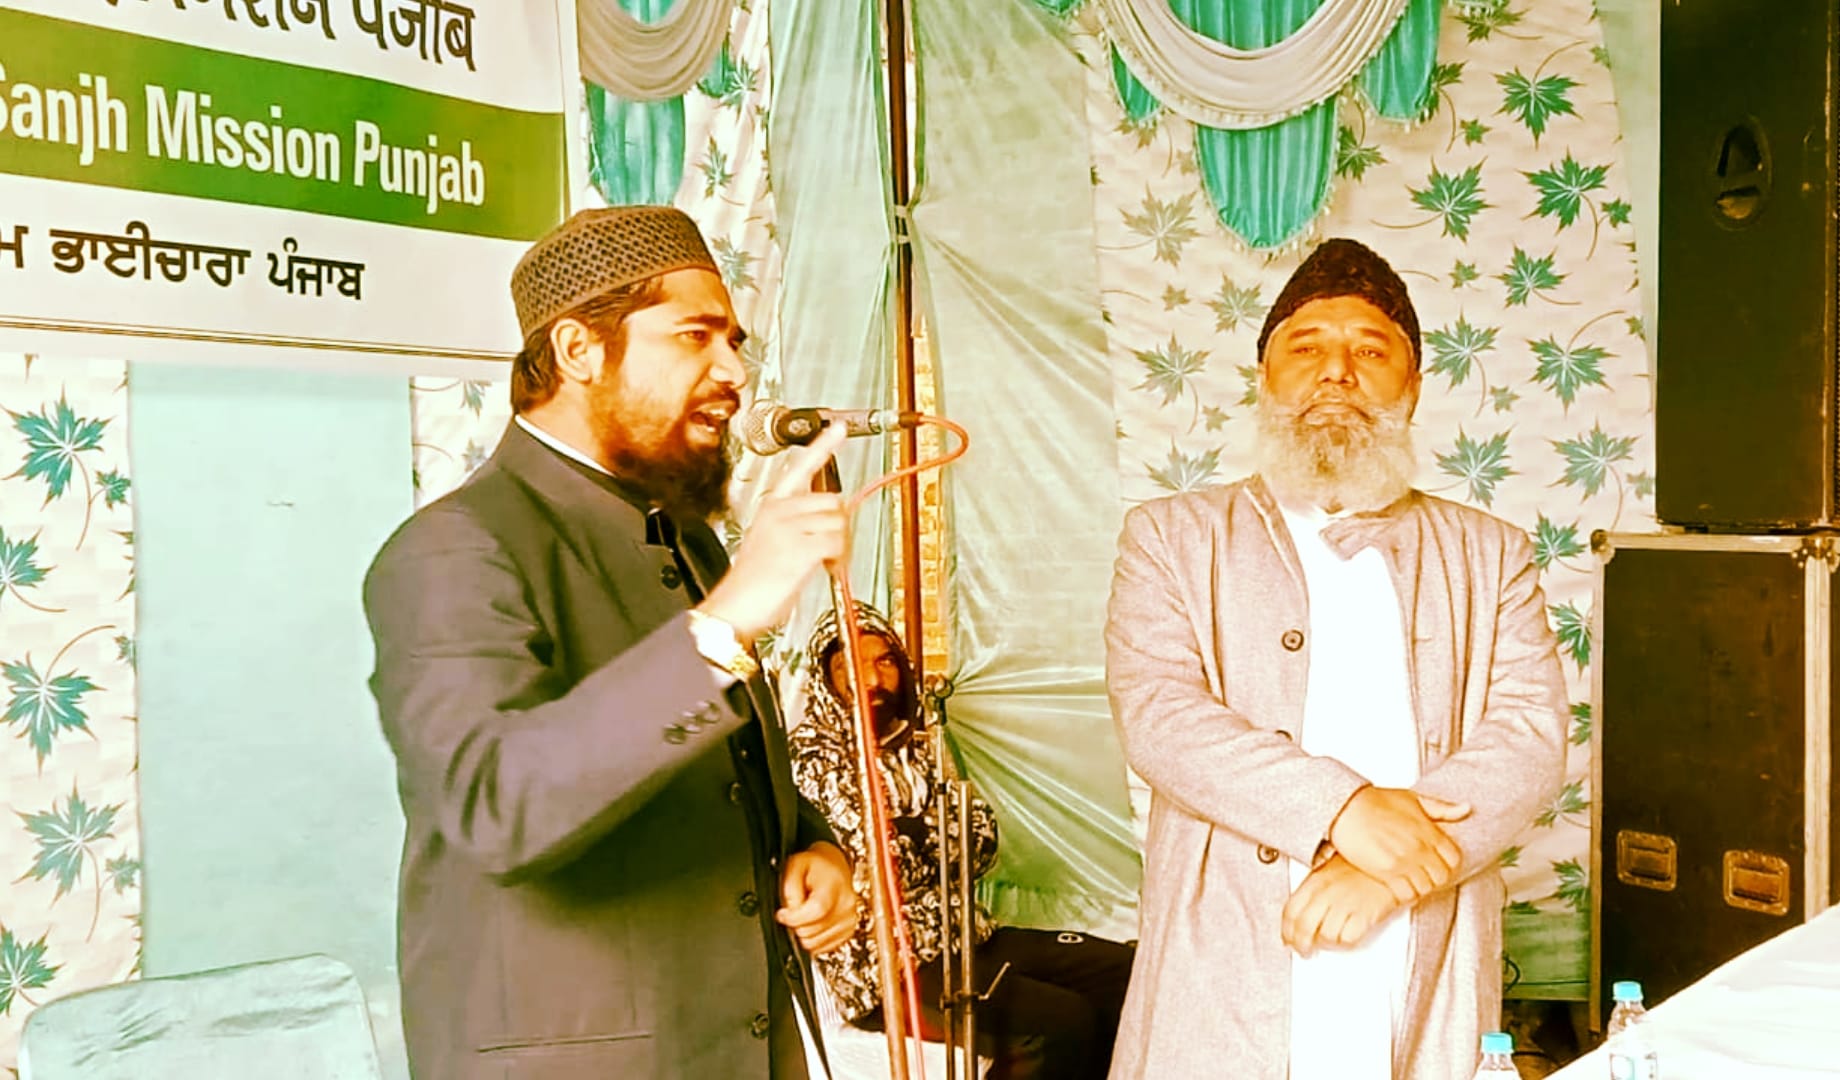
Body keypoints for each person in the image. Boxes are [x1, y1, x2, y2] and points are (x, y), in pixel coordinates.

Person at [362, 205, 859, 1080]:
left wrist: (812, 847)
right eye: (695, 337)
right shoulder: (453, 548)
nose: (733, 372)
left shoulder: (687, 539)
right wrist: (726, 622)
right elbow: (497, 808)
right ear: (578, 351)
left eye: (733, 343)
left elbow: (715, 771)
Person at [1103, 238, 1570, 1080]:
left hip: (1423, 924)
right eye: (1306, 347)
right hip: (1229, 939)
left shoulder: (1490, 552)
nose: (1336, 373)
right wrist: (1343, 810)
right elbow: (1161, 717)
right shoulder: (1171, 537)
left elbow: (1528, 738)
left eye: (1371, 351)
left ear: (1413, 389)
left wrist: (1389, 876)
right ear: (1266, 379)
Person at [786, 602, 1135, 1080]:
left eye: (884, 661)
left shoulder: (914, 745)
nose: (872, 678)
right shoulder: (814, 757)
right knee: (1061, 1024)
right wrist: (934, 837)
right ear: (826, 677)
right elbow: (877, 869)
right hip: (886, 973)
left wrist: (917, 835)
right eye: (851, 664)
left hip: (964, 937)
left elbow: (982, 841)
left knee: (1124, 973)